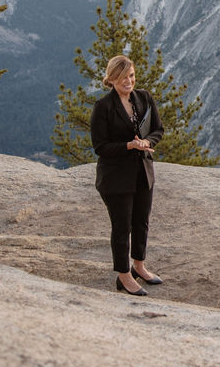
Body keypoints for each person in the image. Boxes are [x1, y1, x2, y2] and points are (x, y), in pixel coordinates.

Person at [91, 55, 165, 296]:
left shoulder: (144, 98)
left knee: (141, 221)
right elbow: (100, 147)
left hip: (143, 172)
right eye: (123, 77)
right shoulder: (103, 107)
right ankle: (123, 276)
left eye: (131, 76)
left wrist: (146, 142)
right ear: (112, 79)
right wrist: (128, 146)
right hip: (116, 177)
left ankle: (139, 266)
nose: (129, 81)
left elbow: (158, 130)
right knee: (122, 226)